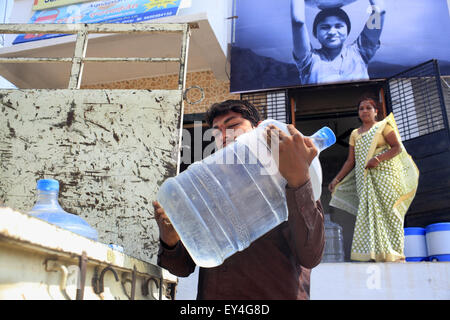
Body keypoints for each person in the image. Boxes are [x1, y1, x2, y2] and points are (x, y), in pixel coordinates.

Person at [152, 99, 325, 299]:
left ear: (258, 129)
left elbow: (311, 255)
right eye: (216, 131)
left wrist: (299, 181)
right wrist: (171, 240)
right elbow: (182, 268)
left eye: (233, 126)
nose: (224, 135)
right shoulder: (206, 186)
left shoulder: (288, 178)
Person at [328, 97, 419, 262]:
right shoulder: (355, 134)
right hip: (364, 181)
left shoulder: (383, 126)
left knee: (390, 214)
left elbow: (397, 147)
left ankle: (396, 254)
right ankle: (376, 255)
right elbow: (351, 161)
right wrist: (336, 179)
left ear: (375, 111)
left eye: (368, 108)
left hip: (385, 177)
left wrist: (377, 159)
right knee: (370, 216)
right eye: (361, 108)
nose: (364, 111)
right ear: (358, 113)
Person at [290, 0, 385, 85]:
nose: (332, 32)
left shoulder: (360, 52)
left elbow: (379, 12)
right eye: (325, 27)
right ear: (315, 33)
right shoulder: (308, 61)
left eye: (338, 26)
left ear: (347, 30)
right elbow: (298, 22)